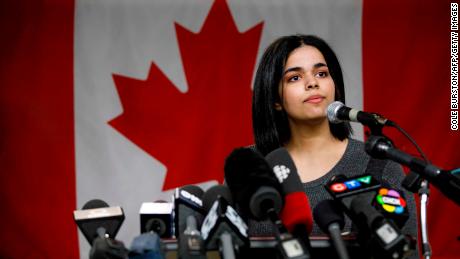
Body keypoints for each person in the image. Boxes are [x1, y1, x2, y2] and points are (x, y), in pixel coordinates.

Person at [250, 34, 418, 256]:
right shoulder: (249, 167)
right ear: (275, 100)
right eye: (294, 78)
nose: (313, 83)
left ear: (335, 87)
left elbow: (408, 253)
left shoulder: (377, 163)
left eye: (321, 73)